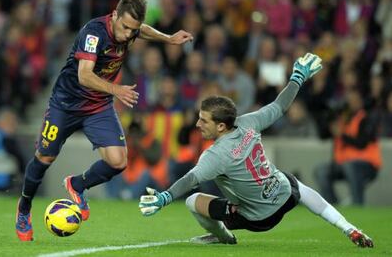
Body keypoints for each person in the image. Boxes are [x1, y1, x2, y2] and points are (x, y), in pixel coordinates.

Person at [139, 53, 374, 248]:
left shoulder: (215, 155)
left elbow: (190, 179)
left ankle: (224, 237)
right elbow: (280, 105)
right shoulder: (248, 122)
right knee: (296, 185)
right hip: (283, 194)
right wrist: (298, 78)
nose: (198, 124)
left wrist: (165, 197)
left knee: (192, 200)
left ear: (221, 126)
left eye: (203, 120)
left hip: (258, 217)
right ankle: (349, 228)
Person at [15, 0, 193, 241]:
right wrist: (117, 90)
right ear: (115, 15)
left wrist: (168, 39)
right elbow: (84, 76)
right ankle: (24, 208)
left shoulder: (130, 29)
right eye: (125, 27)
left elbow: (142, 30)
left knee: (118, 161)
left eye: (133, 30)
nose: (127, 35)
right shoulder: (94, 33)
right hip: (65, 105)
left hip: (97, 105)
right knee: (45, 156)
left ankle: (77, 185)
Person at [314, 88, 381, 205]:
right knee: (321, 171)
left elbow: (362, 143)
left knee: (349, 166)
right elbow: (323, 135)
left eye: (355, 100)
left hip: (367, 165)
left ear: (361, 101)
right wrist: (328, 118)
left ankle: (357, 204)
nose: (352, 103)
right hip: (343, 164)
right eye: (349, 101)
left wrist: (342, 135)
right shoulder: (342, 119)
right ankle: (333, 206)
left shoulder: (366, 118)